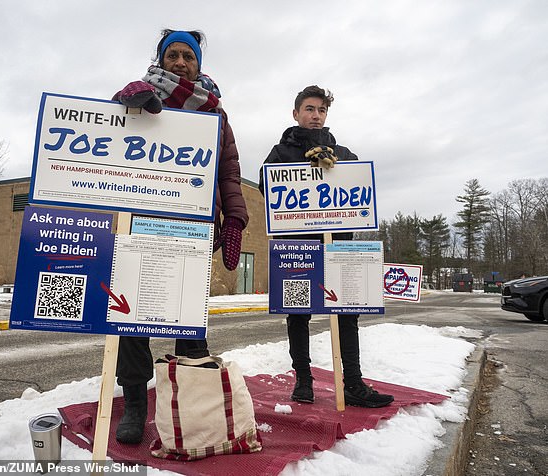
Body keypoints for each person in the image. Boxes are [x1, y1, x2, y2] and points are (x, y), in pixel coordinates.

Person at [111, 29, 249, 444]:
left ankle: (192, 397)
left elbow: (228, 170)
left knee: (188, 316)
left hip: (193, 225)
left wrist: (235, 218)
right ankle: (135, 400)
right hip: (142, 221)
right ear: (161, 59)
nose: (180, 62)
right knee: (131, 315)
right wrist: (126, 99)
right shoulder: (140, 98)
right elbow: (110, 139)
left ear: (198, 64)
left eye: (188, 56)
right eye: (172, 54)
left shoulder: (215, 115)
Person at [258, 85, 393, 408]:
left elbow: (359, 183)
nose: (315, 115)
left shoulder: (343, 154)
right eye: (309, 109)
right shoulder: (280, 153)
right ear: (296, 113)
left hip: (340, 250)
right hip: (297, 251)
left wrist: (335, 170)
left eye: (321, 110)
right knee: (298, 315)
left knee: (348, 315)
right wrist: (303, 173)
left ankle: (354, 383)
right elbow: (267, 188)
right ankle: (303, 380)